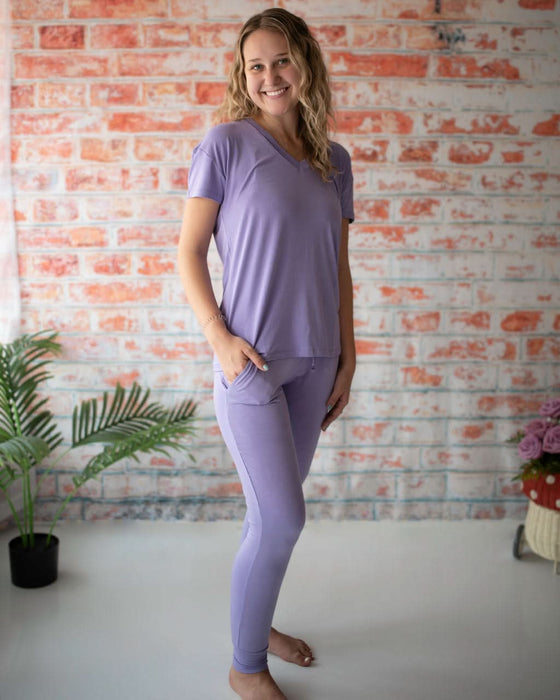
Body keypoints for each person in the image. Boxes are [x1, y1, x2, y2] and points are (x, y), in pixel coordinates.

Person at [177, 8, 355, 699]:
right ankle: (245, 667)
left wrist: (347, 357)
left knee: (269, 519)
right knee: (283, 519)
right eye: (256, 65)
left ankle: (258, 625)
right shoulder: (225, 144)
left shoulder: (334, 161)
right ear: (242, 75)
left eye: (282, 60)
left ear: (304, 63)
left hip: (316, 364)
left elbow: (339, 267)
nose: (271, 76)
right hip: (249, 365)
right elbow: (189, 253)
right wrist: (218, 338)